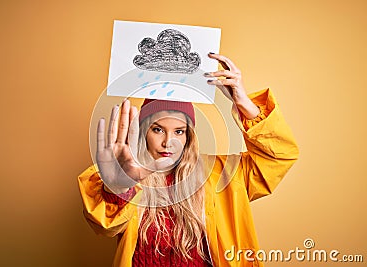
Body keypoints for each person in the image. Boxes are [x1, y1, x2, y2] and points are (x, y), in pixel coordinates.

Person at [78, 53, 299, 267]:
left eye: (179, 131)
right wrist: (118, 188)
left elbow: (279, 155)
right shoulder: (124, 175)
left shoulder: (221, 174)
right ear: (143, 131)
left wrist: (244, 104)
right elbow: (104, 226)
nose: (168, 142)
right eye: (158, 129)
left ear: (189, 135)